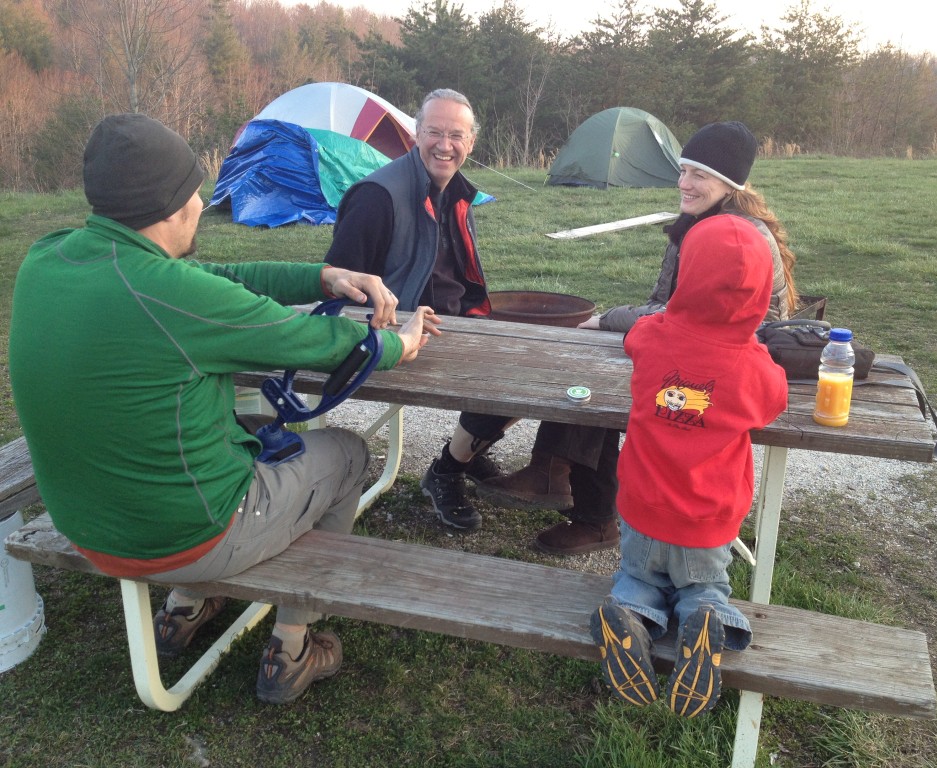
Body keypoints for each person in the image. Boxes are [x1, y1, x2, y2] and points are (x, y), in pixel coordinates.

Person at [9, 113, 441, 705]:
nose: (202, 200)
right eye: (193, 189)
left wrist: (323, 276)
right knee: (346, 452)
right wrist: (400, 343)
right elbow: (316, 342)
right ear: (169, 205)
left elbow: (214, 278)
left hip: (86, 524)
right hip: (187, 536)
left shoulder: (47, 258)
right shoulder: (170, 295)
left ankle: (186, 607)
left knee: (250, 426)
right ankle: (292, 644)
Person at [477, 121, 798, 555]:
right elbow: (669, 304)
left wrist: (614, 319)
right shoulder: (699, 220)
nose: (683, 182)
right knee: (594, 360)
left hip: (732, 358)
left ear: (729, 183)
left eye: (698, 175)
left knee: (605, 379)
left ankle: (590, 511)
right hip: (694, 341)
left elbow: (695, 314)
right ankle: (557, 475)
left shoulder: (737, 237)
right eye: (683, 170)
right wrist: (634, 326)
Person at [590, 214, 789, 717]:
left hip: (640, 509)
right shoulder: (751, 366)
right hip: (705, 521)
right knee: (705, 587)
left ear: (687, 274)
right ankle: (704, 618)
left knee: (637, 580)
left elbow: (635, 339)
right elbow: (774, 401)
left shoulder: (652, 336)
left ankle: (630, 613)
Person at [324, 88, 515, 533]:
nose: (444, 145)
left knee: (541, 358)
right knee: (511, 374)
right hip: (403, 332)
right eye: (433, 132)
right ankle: (450, 468)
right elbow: (340, 287)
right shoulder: (378, 196)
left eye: (456, 135)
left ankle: (469, 449)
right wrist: (397, 320)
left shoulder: (458, 192)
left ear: (471, 142)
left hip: (458, 320)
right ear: (415, 133)